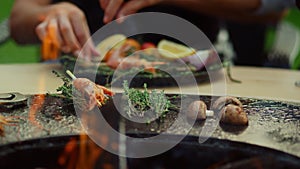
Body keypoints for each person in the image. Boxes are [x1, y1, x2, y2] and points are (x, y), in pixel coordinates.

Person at [9, 0, 296, 62]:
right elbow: (18, 20)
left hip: (195, 88)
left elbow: (274, 9)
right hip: (82, 92)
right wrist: (50, 14)